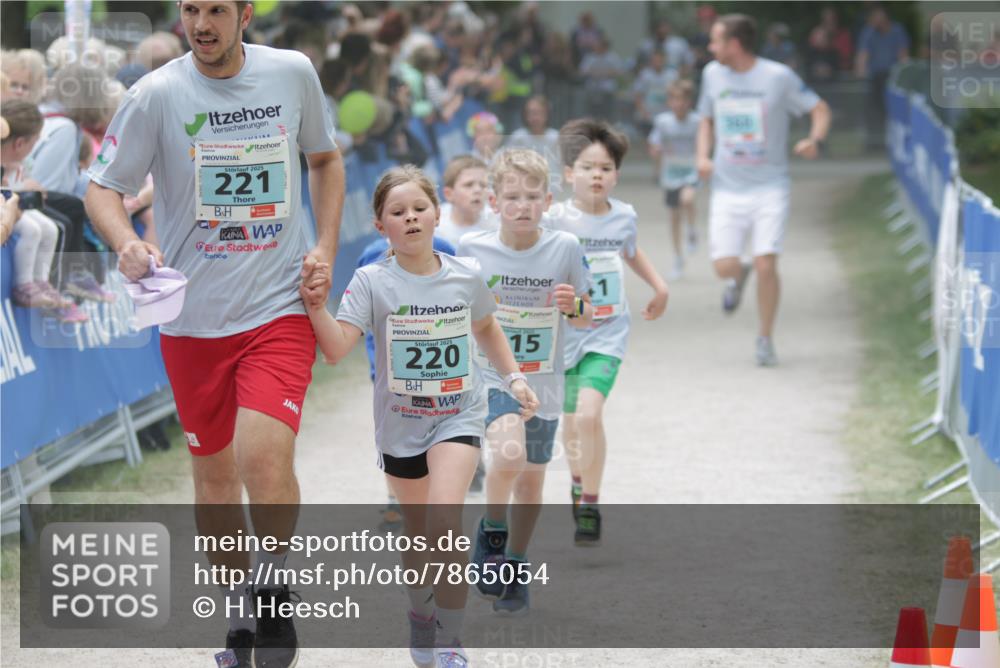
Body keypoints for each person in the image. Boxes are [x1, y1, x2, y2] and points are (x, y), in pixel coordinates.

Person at [84, 2, 345, 667]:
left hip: (277, 308)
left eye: (217, 10)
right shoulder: (157, 94)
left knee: (263, 458)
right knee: (215, 484)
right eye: (191, 9)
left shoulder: (292, 73)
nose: (202, 23)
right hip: (193, 321)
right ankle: (237, 613)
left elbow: (324, 159)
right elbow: (103, 189)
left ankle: (274, 587)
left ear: (245, 14)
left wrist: (325, 248)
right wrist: (125, 244)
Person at [300, 165, 538, 668]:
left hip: (458, 415)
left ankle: (451, 641)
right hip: (401, 425)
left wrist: (514, 378)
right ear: (380, 225)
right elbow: (338, 349)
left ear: (435, 215)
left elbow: (488, 327)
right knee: (417, 533)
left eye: (419, 209)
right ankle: (421, 615)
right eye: (397, 212)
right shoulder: (370, 282)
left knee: (444, 522)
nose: (410, 218)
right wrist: (317, 307)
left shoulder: (465, 275)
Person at [460, 149, 593, 615]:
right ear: (494, 202)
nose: (522, 206)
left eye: (532, 197)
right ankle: (491, 535)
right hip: (492, 376)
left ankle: (515, 567)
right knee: (508, 452)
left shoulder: (565, 249)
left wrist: (573, 305)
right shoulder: (472, 250)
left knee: (532, 484)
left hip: (546, 380)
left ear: (548, 201)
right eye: (512, 197)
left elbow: (585, 317)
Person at [548, 118, 670, 544]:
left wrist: (659, 286)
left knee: (589, 414)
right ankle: (578, 482)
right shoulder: (555, 220)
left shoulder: (624, 217)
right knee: (570, 422)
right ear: (568, 174)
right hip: (564, 335)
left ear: (615, 175)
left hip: (607, 332)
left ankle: (591, 503)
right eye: (586, 167)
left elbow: (631, 253)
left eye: (604, 168)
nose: (596, 175)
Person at [695, 14, 831, 366]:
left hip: (770, 185)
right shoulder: (712, 74)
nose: (711, 48)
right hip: (727, 186)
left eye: (716, 41)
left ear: (734, 44)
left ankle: (764, 338)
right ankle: (737, 276)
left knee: (766, 263)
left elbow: (819, 108)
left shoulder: (777, 77)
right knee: (723, 266)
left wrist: (814, 139)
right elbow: (706, 120)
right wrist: (702, 157)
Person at [648, 79, 700, 281]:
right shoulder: (663, 121)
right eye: (675, 99)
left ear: (689, 102)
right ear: (670, 102)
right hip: (671, 174)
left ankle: (693, 230)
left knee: (687, 200)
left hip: (691, 170)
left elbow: (706, 142)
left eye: (683, 99)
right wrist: (655, 151)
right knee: (674, 216)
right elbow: (654, 144)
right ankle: (678, 257)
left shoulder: (697, 121)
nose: (679, 104)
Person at [855, 5, 910, 151]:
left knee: (893, 110)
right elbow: (863, 54)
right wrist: (861, 71)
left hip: (892, 77)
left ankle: (894, 142)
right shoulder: (869, 31)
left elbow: (902, 54)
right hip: (875, 77)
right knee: (873, 110)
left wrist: (905, 73)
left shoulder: (897, 30)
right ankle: (873, 143)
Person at [438, 154, 496, 246]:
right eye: (468, 185)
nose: (478, 190)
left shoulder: (496, 223)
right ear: (449, 194)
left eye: (483, 185)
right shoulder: (436, 228)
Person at [507, 95, 561, 190]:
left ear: (547, 114)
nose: (535, 117)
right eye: (531, 113)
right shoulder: (518, 137)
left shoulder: (556, 137)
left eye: (539, 113)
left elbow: (563, 166)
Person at [632, 50, 678, 141]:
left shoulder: (672, 75)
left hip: (666, 115)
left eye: (660, 60)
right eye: (655, 60)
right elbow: (637, 95)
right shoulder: (645, 75)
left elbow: (676, 94)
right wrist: (643, 112)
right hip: (648, 116)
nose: (658, 63)